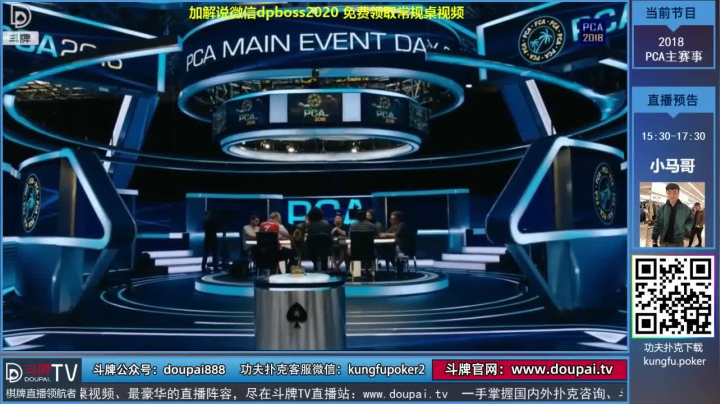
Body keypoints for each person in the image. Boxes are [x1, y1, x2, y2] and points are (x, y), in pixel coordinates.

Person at [651, 183, 694, 247]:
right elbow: (657, 224)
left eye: (675, 192)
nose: (672, 195)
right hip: (664, 241)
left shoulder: (685, 208)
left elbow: (691, 220)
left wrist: (684, 228)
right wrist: (654, 239)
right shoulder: (662, 209)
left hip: (678, 241)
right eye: (669, 193)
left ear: (678, 193)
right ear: (666, 194)